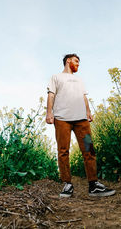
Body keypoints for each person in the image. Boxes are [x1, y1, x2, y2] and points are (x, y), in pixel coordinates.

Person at [46, 53, 116, 198]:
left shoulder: (79, 80)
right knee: (63, 150)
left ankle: (93, 185)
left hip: (82, 120)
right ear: (68, 61)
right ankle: (67, 184)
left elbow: (84, 97)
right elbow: (51, 95)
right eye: (76, 61)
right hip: (61, 119)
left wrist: (88, 111)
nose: (78, 64)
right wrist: (49, 113)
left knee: (89, 149)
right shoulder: (56, 77)